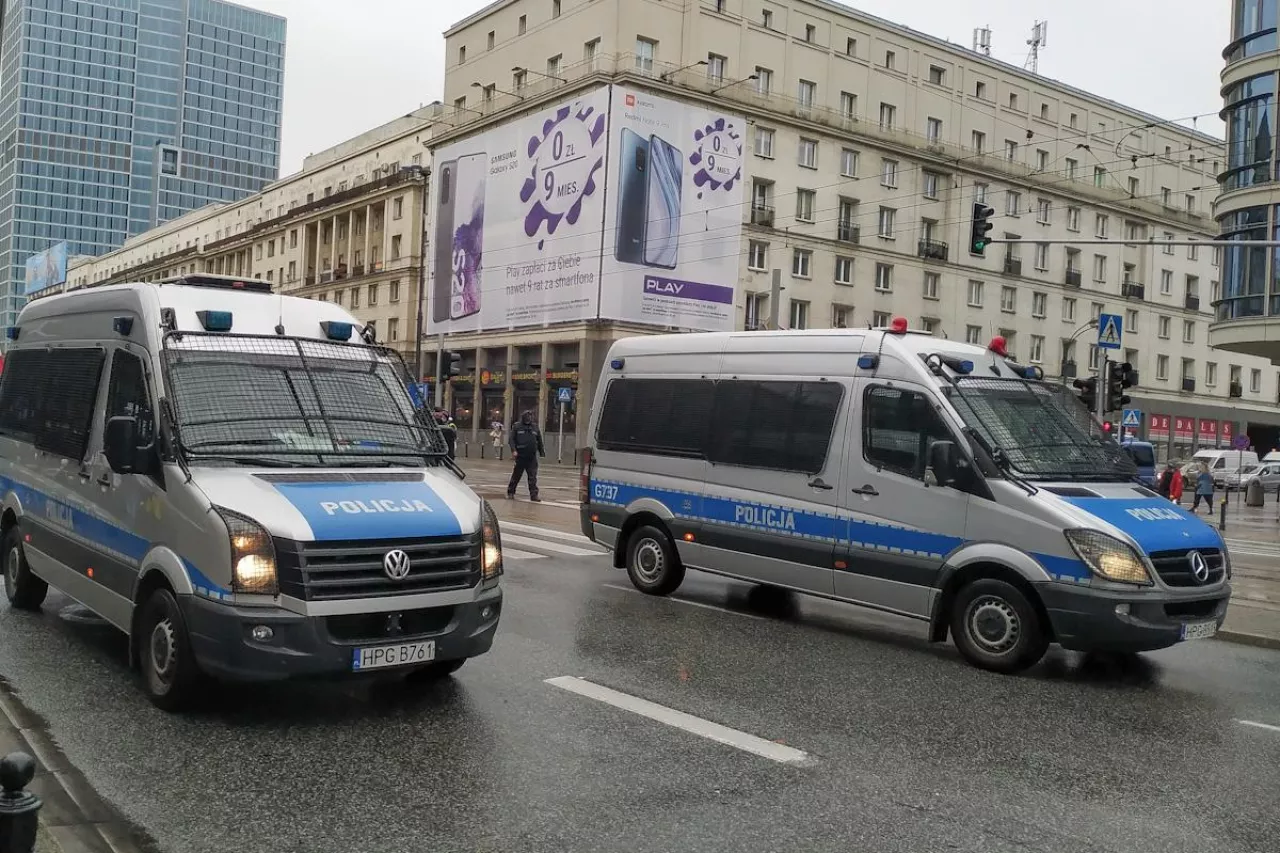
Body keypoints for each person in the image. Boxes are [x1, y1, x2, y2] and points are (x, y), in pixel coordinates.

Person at [507, 410, 545, 501]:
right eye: (528, 416)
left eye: (531, 416)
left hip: (531, 456)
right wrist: (514, 450)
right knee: (516, 475)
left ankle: (534, 495)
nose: (529, 418)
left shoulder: (534, 427)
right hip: (521, 456)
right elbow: (511, 440)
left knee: (532, 477)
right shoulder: (517, 426)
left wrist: (541, 451)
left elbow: (539, 440)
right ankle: (511, 492)